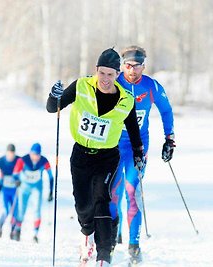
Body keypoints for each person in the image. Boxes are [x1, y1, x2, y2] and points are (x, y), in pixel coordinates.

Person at [46, 48, 145, 267]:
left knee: (102, 199)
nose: (106, 79)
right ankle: (87, 235)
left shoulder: (126, 100)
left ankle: (103, 256)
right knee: (83, 206)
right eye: (102, 73)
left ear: (117, 75)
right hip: (81, 155)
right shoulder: (81, 86)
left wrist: (138, 153)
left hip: (107, 157)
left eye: (111, 74)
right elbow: (54, 108)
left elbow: (133, 130)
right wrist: (54, 96)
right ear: (96, 71)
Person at [109, 45, 175, 264]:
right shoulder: (114, 82)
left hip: (138, 147)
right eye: (128, 66)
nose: (132, 71)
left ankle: (134, 245)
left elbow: (166, 110)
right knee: (113, 192)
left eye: (137, 66)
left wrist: (169, 139)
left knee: (132, 191)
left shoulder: (151, 86)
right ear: (122, 66)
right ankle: (112, 236)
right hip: (114, 145)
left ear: (143, 66)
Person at [11, 143, 54, 243]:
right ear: (30, 153)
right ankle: (17, 229)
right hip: (24, 188)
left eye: (37, 155)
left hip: (36, 189)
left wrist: (51, 191)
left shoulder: (44, 161)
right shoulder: (23, 160)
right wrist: (17, 180)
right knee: (21, 209)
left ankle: (35, 234)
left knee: (37, 210)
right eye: (33, 154)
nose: (35, 157)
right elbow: (15, 173)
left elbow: (51, 177)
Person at [0, 144, 21, 239]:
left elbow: (25, 171)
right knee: (5, 211)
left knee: (15, 212)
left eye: (12, 154)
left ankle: (12, 232)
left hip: (15, 191)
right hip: (4, 191)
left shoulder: (19, 160)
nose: (11, 156)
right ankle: (0, 228)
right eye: (9, 153)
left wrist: (20, 180)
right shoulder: (1, 161)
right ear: (6, 153)